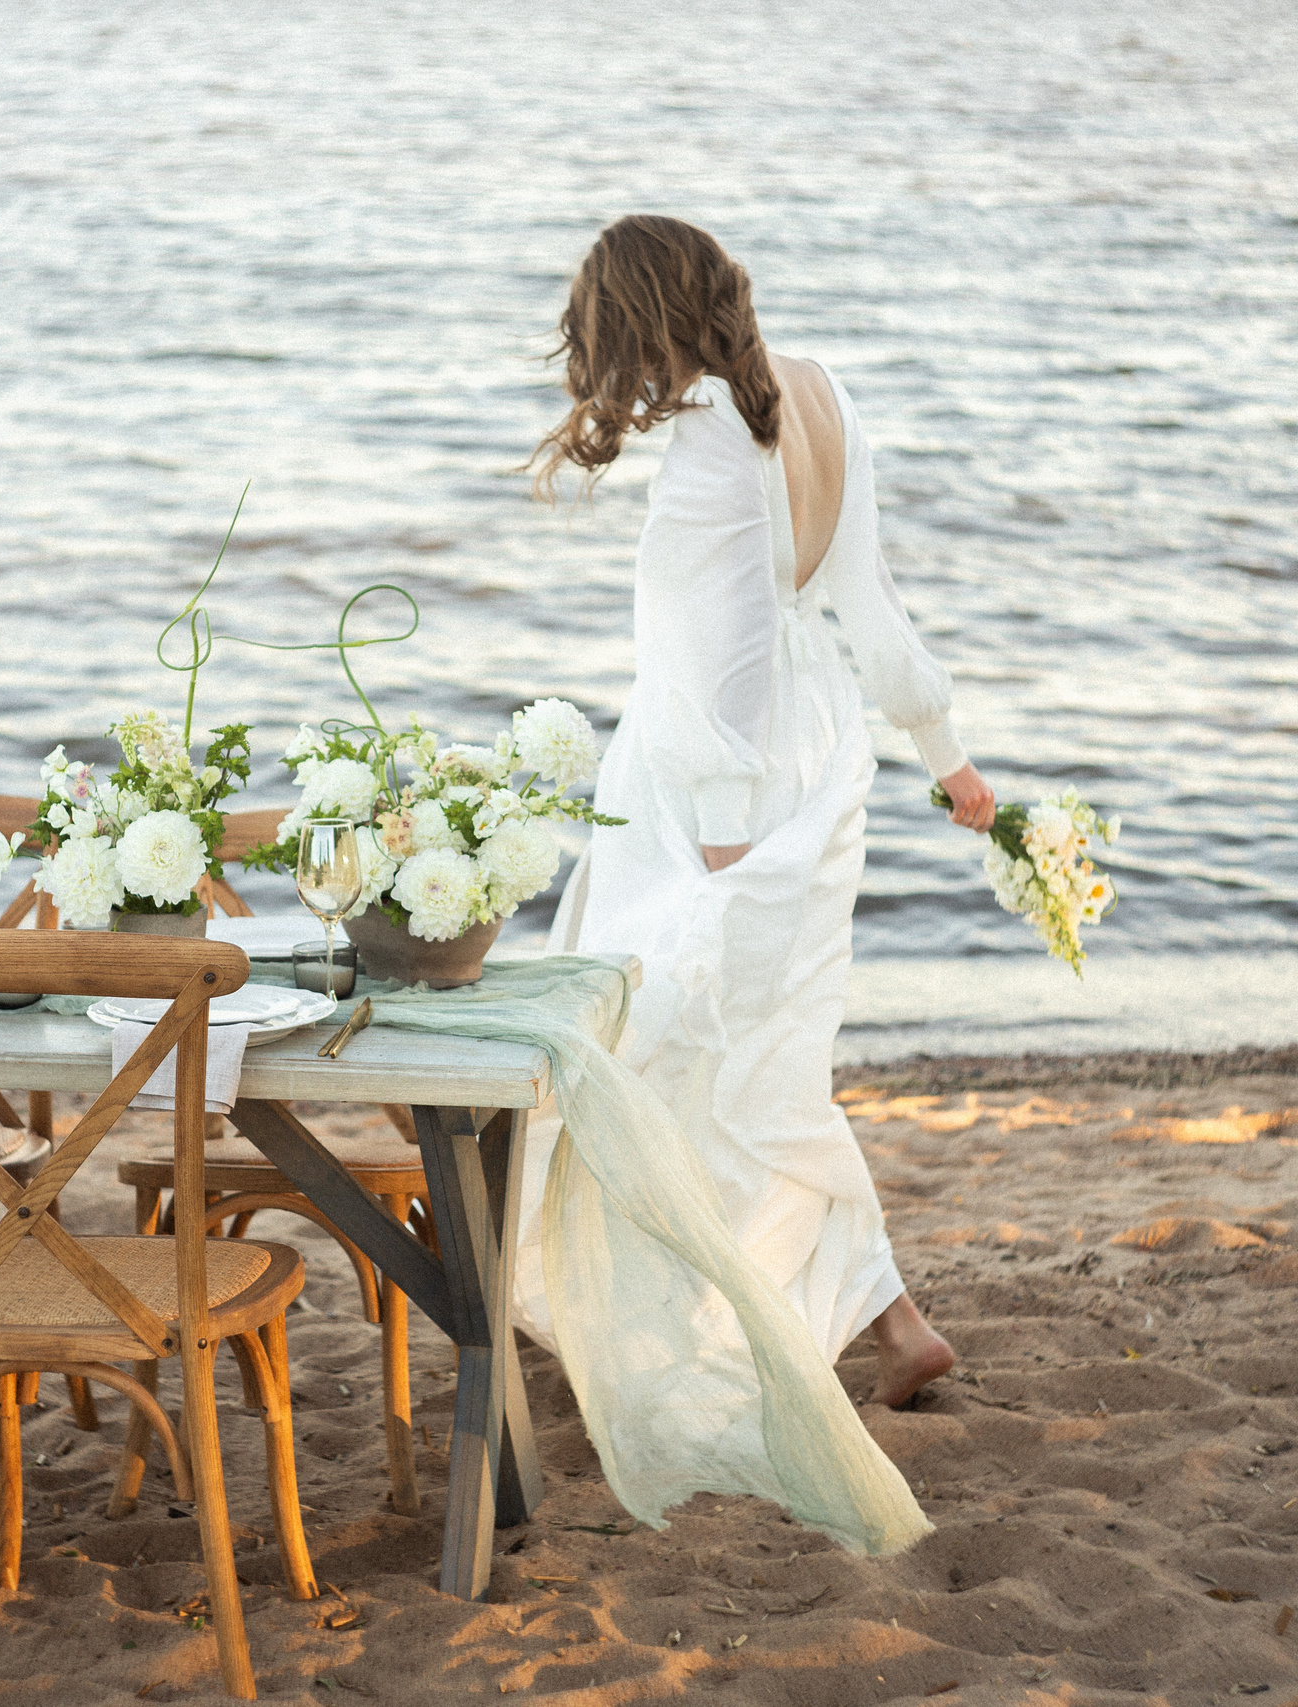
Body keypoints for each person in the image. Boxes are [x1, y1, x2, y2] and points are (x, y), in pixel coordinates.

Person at [532, 214, 994, 1409]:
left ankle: (717, 1326)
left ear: (637, 319)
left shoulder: (708, 445)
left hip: (713, 787)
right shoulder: (817, 394)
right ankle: (887, 1323)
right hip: (819, 745)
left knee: (657, 1054)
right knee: (761, 1062)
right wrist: (947, 760)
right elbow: (871, 602)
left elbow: (725, 648)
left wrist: (728, 844)